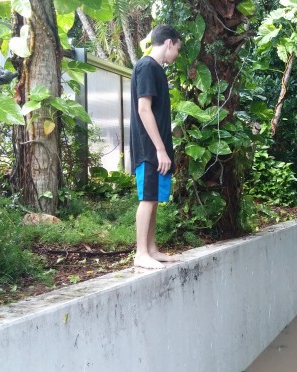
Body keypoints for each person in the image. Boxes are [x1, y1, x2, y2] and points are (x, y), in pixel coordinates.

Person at [130, 24, 182, 269]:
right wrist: (160, 149)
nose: (177, 55)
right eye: (178, 49)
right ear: (169, 42)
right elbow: (143, 109)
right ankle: (140, 253)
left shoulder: (157, 70)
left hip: (158, 147)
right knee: (147, 198)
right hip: (149, 148)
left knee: (154, 199)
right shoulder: (147, 66)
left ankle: (151, 249)